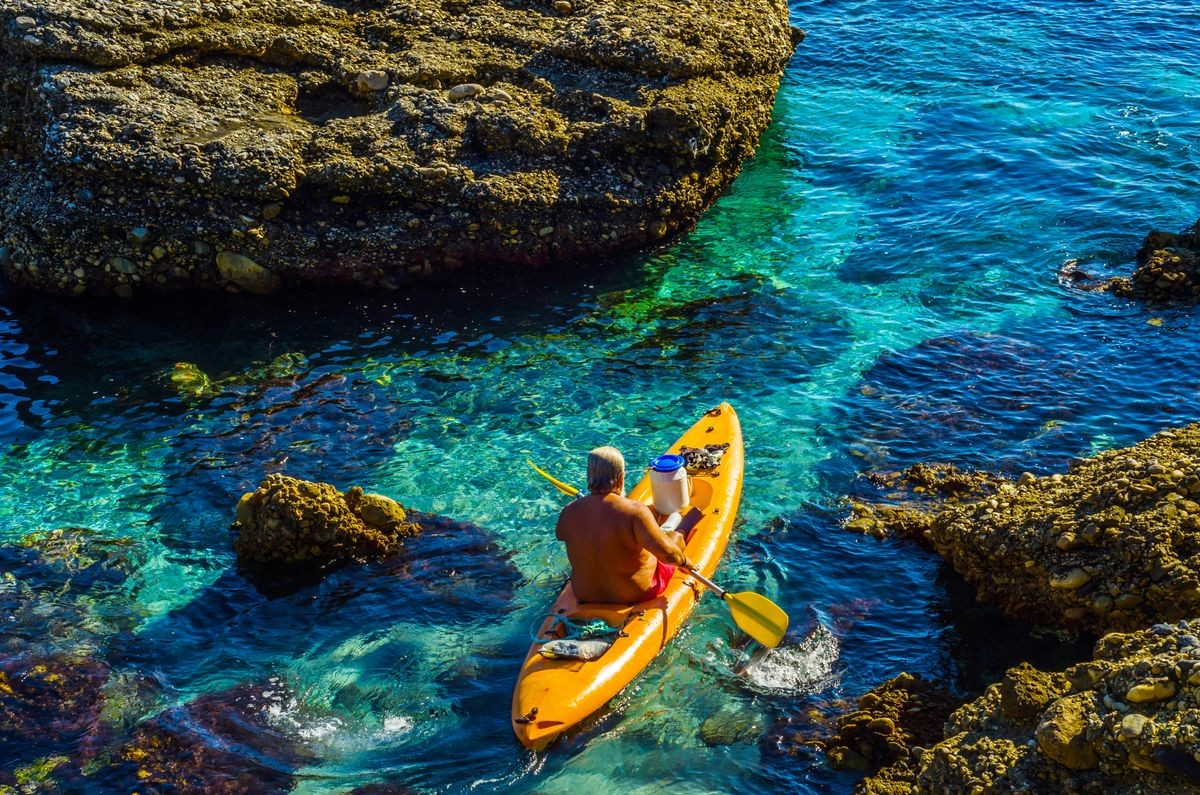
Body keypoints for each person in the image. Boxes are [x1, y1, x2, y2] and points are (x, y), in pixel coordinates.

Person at [556, 446, 692, 603]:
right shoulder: (634, 511)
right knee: (675, 537)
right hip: (633, 593)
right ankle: (683, 529)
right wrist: (685, 562)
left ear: (589, 477)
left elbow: (560, 535)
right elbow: (669, 554)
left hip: (585, 593)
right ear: (621, 478)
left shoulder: (569, 511)